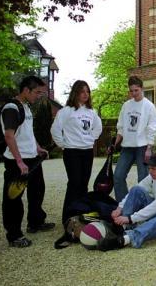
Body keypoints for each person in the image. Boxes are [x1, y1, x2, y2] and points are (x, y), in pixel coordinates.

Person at [1, 75, 55, 247]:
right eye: (37, 92)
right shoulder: (11, 108)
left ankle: (36, 222)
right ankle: (14, 235)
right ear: (26, 90)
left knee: (37, 190)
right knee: (13, 198)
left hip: (32, 158)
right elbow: (9, 136)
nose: (39, 96)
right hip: (18, 161)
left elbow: (27, 133)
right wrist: (19, 161)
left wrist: (38, 147)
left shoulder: (26, 107)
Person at [97, 154, 156, 250]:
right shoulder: (152, 177)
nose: (150, 171)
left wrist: (131, 218)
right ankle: (123, 228)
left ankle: (125, 239)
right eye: (149, 168)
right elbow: (134, 191)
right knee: (136, 189)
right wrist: (120, 208)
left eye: (153, 169)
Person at [50, 80, 103, 224]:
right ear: (75, 93)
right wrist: (63, 144)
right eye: (82, 91)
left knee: (84, 183)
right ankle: (67, 217)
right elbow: (55, 129)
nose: (85, 94)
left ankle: (81, 214)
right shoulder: (66, 111)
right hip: (72, 152)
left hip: (87, 152)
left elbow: (98, 127)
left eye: (87, 91)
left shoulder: (91, 112)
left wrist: (91, 139)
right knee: (74, 183)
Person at [112, 76, 156, 202]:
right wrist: (114, 144)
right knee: (118, 176)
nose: (133, 93)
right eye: (131, 91)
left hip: (143, 147)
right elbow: (121, 127)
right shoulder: (126, 106)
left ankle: (143, 207)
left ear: (141, 89)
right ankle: (123, 204)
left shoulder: (149, 106)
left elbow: (152, 127)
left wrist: (149, 148)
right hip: (127, 147)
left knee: (143, 180)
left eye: (136, 90)